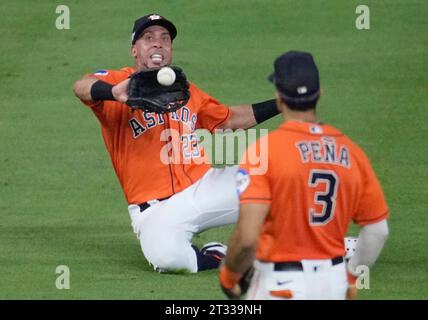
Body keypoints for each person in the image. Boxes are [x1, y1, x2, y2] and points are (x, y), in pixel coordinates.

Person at [72, 13, 280, 273]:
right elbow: (81, 85)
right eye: (148, 38)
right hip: (155, 211)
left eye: (164, 39)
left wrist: (281, 104)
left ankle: (324, 248)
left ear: (170, 49)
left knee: (276, 187)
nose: (158, 43)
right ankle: (218, 255)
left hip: (204, 188)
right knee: (170, 260)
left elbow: (230, 120)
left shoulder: (186, 91)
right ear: (134, 50)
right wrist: (113, 93)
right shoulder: (118, 82)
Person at [219, 51, 389, 299]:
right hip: (333, 284)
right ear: (319, 93)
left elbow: (247, 238)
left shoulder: (264, 152)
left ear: (278, 97)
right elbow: (377, 230)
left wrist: (228, 276)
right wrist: (351, 277)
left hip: (280, 285)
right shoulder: (351, 152)